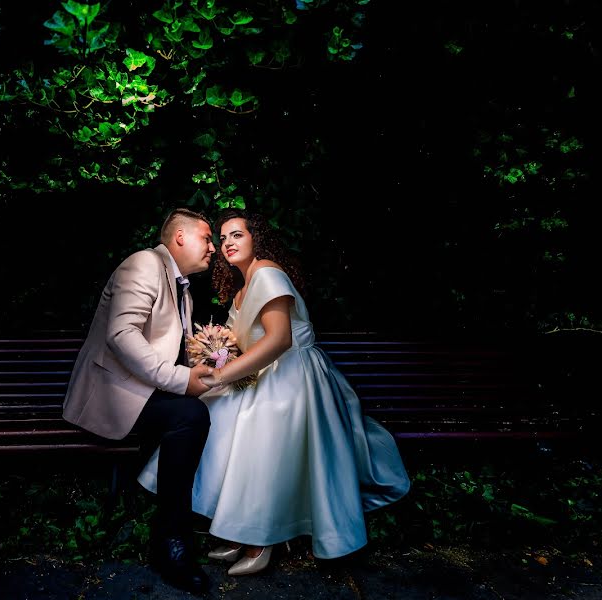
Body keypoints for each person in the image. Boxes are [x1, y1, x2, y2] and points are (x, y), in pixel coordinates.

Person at [138, 209, 411, 576]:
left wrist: (222, 375)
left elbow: (280, 339)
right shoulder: (242, 287)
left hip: (294, 374)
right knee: (213, 416)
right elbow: (243, 345)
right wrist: (216, 352)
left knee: (256, 426)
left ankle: (260, 538)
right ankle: (236, 529)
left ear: (257, 239)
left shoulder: (267, 272)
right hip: (263, 372)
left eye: (237, 235)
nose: (227, 243)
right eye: (221, 238)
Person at [63, 208, 217, 595]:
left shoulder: (181, 287)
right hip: (112, 394)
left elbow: (168, 350)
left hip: (142, 389)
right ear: (179, 237)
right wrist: (183, 380)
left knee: (212, 405)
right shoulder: (145, 264)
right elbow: (122, 335)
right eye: (207, 238)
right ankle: (171, 542)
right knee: (190, 415)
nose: (214, 248)